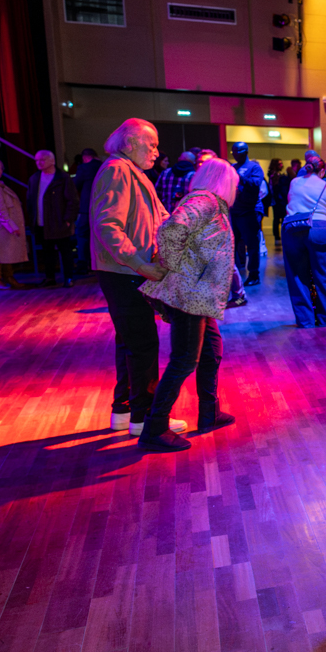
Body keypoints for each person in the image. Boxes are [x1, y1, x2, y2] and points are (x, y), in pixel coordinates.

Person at [91, 118, 186, 437]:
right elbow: (107, 226)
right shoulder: (118, 170)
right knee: (143, 344)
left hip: (125, 271)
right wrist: (141, 265)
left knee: (130, 343)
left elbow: (160, 217)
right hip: (126, 272)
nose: (157, 152)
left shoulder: (131, 171)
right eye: (152, 145)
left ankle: (124, 410)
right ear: (131, 143)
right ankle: (145, 419)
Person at [136, 159, 240, 452]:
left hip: (199, 294)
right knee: (184, 359)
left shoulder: (211, 203)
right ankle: (154, 428)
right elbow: (171, 229)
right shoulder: (205, 201)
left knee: (211, 350)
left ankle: (209, 413)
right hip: (190, 293)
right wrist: (171, 264)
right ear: (224, 182)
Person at [282, 153, 326, 328]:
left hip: (293, 228)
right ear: (322, 171)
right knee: (324, 274)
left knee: (297, 276)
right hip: (319, 228)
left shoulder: (294, 183)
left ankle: (305, 320)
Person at [26, 150, 80, 288]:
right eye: (37, 160)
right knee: (47, 251)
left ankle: (68, 277)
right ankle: (50, 277)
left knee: (65, 250)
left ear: (52, 160)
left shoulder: (62, 178)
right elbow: (30, 200)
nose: (39, 163)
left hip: (59, 221)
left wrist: (68, 219)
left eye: (42, 160)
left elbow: (72, 200)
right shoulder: (34, 178)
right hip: (41, 222)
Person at [0, 159, 28, 290]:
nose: (2, 172)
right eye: (1, 169)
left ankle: (8, 277)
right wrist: (12, 226)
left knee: (5, 251)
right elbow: (0, 209)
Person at [228, 142, 264, 287]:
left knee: (252, 245)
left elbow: (255, 185)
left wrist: (238, 176)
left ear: (245, 152)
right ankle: (234, 273)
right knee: (233, 244)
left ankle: (254, 275)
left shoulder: (254, 167)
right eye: (233, 152)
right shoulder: (233, 167)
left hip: (249, 211)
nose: (235, 154)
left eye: (238, 151)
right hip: (235, 210)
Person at [73, 148, 101, 275]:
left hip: (87, 207)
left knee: (82, 234)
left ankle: (83, 264)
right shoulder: (104, 166)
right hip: (103, 207)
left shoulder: (84, 168)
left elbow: (76, 185)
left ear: (85, 157)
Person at [270, 158, 293, 245]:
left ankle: (279, 235)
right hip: (278, 200)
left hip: (279, 200)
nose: (281, 165)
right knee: (277, 218)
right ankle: (278, 236)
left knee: (279, 218)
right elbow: (275, 188)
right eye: (279, 164)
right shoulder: (274, 175)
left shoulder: (277, 175)